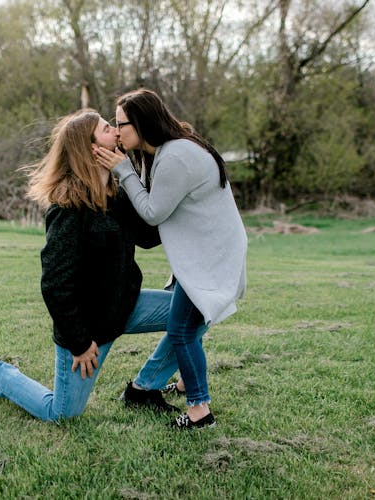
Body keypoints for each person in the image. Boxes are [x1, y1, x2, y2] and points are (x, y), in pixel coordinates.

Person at [0, 109, 179, 422]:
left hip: (125, 307)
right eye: (107, 128)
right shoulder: (68, 207)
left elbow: (146, 236)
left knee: (193, 313)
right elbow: (55, 284)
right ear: (92, 148)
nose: (117, 131)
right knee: (62, 412)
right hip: (88, 329)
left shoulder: (115, 195)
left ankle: (143, 390)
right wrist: (79, 343)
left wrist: (181, 202)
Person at [95, 88, 247, 429]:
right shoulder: (161, 152)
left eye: (121, 124)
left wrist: (123, 171)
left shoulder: (175, 156)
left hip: (208, 256)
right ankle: (170, 385)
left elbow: (152, 213)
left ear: (142, 123)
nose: (116, 132)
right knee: (187, 326)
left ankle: (199, 410)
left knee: (181, 330)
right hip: (199, 251)